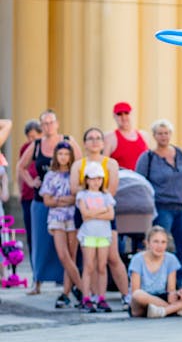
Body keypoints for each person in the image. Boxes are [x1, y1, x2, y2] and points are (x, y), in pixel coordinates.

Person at [17, 110, 82, 288]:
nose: (48, 126)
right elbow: (21, 166)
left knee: (67, 248)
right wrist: (32, 182)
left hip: (68, 202)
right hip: (42, 200)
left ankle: (69, 283)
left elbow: (80, 165)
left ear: (57, 123)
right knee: (39, 242)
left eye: (51, 122)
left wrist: (76, 190)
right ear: (41, 126)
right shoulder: (37, 144)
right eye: (44, 123)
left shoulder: (68, 140)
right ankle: (37, 281)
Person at [71, 127, 131, 308]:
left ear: (103, 143)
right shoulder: (78, 164)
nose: (95, 141)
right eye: (90, 138)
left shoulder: (110, 163)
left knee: (111, 256)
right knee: (90, 260)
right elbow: (75, 189)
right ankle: (94, 296)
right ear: (85, 143)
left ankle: (126, 294)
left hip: (105, 212)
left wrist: (95, 212)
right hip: (85, 213)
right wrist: (90, 209)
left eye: (98, 138)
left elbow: (110, 190)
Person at [135, 119, 182, 288]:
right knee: (159, 246)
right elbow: (140, 183)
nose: (164, 136)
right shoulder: (148, 158)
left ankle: (177, 284)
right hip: (161, 207)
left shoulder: (179, 153)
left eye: (166, 133)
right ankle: (159, 284)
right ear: (154, 136)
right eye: (160, 133)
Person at [129, 226, 182, 318]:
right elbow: (135, 291)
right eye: (156, 241)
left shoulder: (171, 259)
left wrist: (178, 294)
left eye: (163, 242)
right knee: (137, 295)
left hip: (163, 297)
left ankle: (166, 311)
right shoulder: (137, 259)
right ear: (147, 243)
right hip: (145, 299)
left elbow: (171, 290)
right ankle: (180, 310)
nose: (160, 246)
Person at [39, 142, 83, 308]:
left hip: (73, 217)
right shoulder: (51, 175)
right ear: (56, 156)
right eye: (60, 154)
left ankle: (65, 293)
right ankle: (83, 290)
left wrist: (59, 200)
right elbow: (47, 200)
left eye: (66, 154)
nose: (63, 157)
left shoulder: (75, 173)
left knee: (72, 255)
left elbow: (77, 197)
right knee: (63, 255)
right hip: (57, 218)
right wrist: (63, 200)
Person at [76, 162, 116, 313]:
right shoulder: (83, 195)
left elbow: (111, 215)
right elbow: (85, 214)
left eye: (99, 178)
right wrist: (102, 210)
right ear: (86, 180)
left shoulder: (106, 196)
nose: (96, 182)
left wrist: (94, 212)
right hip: (89, 235)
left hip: (103, 235)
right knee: (89, 266)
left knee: (101, 266)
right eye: (93, 178)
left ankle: (101, 297)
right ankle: (86, 297)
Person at [17, 120, 43, 291]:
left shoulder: (47, 147)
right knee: (32, 237)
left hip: (46, 195)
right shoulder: (25, 149)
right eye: (30, 137)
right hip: (28, 195)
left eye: (35, 136)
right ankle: (36, 278)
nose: (32, 140)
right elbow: (20, 169)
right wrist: (21, 189)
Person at [103, 102, 149, 171]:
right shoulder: (109, 137)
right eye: (119, 114)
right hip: (122, 179)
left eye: (126, 113)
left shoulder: (144, 135)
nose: (124, 117)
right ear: (114, 116)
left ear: (131, 114)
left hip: (142, 179)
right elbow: (104, 165)